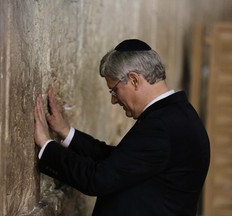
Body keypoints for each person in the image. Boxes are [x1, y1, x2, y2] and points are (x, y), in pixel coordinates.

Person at [33, 39, 210, 216]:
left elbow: (98, 178)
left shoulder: (161, 126)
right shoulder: (177, 115)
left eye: (114, 90)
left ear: (133, 80)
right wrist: (66, 132)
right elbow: (121, 162)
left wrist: (46, 145)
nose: (114, 100)